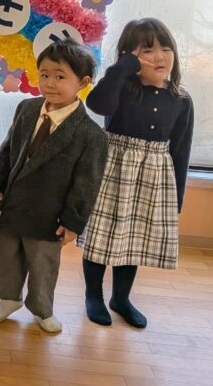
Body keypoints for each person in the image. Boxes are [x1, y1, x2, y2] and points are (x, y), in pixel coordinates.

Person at [77, 18, 195, 329]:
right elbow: (97, 104)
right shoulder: (122, 89)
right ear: (130, 57)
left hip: (154, 173)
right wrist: (123, 68)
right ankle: (93, 295)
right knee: (101, 233)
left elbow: (181, 150)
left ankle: (121, 298)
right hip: (114, 167)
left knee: (133, 238)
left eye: (165, 48)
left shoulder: (181, 99)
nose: (159, 56)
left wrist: (177, 196)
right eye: (148, 50)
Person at [0, 39, 108, 333]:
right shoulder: (27, 108)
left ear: (82, 82)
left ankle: (42, 308)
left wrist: (73, 222)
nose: (50, 83)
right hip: (14, 202)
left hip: (49, 213)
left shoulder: (91, 135)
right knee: (6, 256)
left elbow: (87, 183)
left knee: (43, 264)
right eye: (44, 75)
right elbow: (9, 147)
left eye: (60, 76)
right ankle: (8, 297)